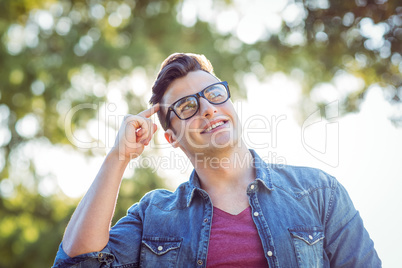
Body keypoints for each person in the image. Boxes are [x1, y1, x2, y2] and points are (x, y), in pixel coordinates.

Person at [53, 53, 381, 267]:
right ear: (171, 137)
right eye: (186, 107)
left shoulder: (319, 192)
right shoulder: (153, 216)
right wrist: (118, 157)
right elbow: (77, 263)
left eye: (213, 94)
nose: (208, 108)